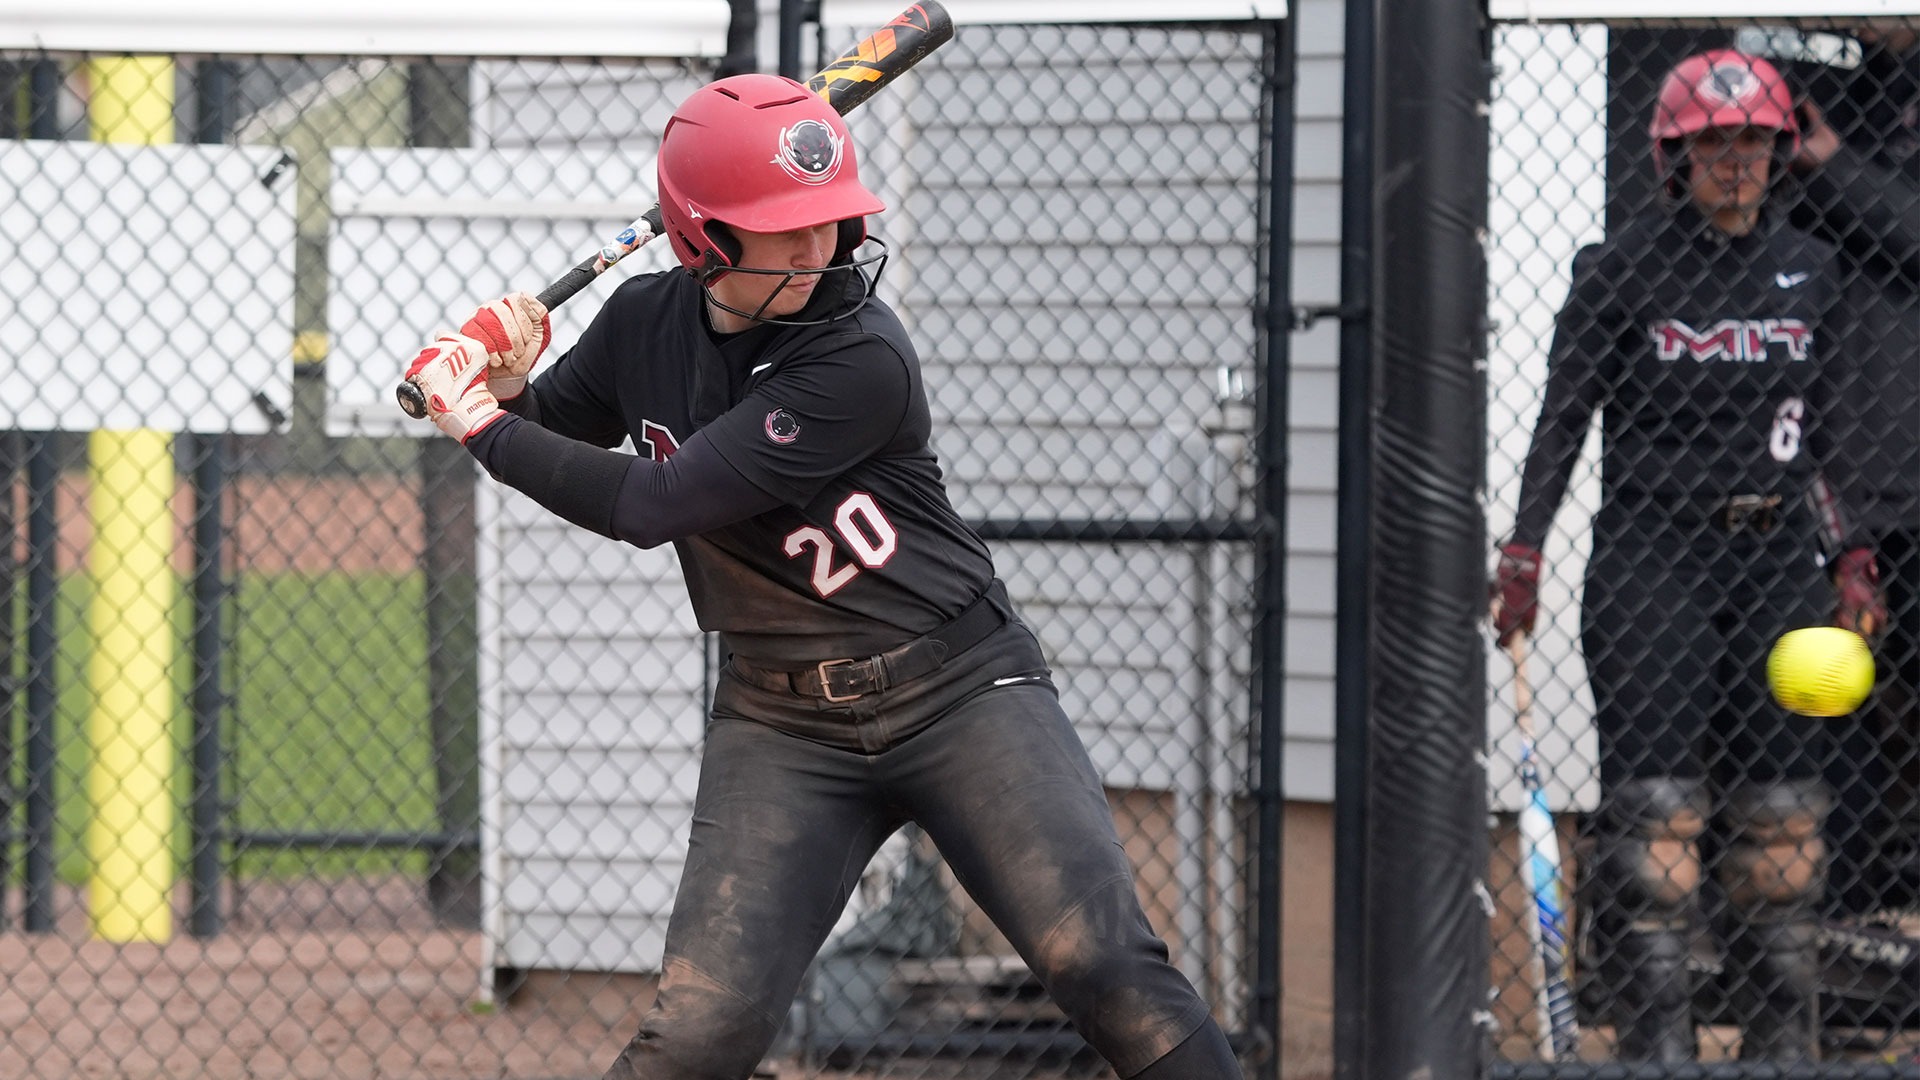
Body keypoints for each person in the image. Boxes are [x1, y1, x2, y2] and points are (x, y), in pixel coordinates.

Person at [403, 73, 1243, 1080]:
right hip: (779, 722)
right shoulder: (639, 324)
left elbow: (649, 505)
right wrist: (504, 387)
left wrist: (479, 427)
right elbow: (561, 438)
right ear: (706, 240)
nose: (820, 247)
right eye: (786, 227)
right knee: (699, 1034)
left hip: (960, 692)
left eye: (832, 220)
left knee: (1103, 965)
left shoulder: (860, 354)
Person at [1489, 50, 1881, 1062]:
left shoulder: (1814, 271)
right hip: (1651, 560)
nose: (1737, 161)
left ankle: (1779, 1045)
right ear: (1677, 152)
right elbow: (1561, 420)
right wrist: (1525, 550)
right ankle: (1657, 1045)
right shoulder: (1621, 270)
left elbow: (1827, 434)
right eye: (1715, 142)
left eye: (1753, 139)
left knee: (1784, 837)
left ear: (1779, 149)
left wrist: (1851, 559)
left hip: (1777, 564)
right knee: (1657, 834)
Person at [1781, 21, 1920, 927]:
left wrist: (1830, 167)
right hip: (1834, 487)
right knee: (1833, 736)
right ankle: (1826, 950)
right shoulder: (1824, 83)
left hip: (1904, 493)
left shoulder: (1846, 149)